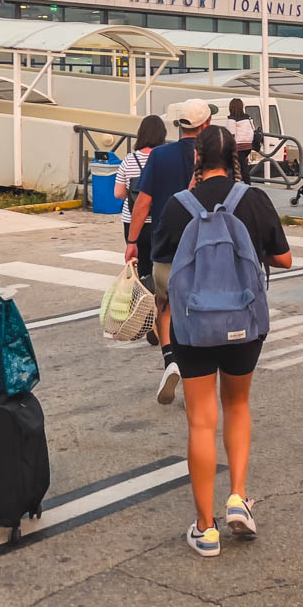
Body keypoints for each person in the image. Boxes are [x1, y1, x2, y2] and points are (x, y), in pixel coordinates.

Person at [152, 124, 292, 558]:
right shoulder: (253, 199)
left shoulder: (179, 206)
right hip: (243, 323)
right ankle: (238, 498)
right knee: (237, 405)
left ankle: (205, 527)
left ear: (197, 158)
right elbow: (284, 259)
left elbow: (160, 273)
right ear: (236, 157)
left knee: (200, 421)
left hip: (194, 327)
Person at [125, 99, 205, 405]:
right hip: (201, 242)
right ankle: (197, 371)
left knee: (165, 305)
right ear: (206, 125)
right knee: (197, 308)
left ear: (178, 125)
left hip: (165, 241)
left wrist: (132, 241)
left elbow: (142, 202)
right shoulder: (209, 155)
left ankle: (171, 359)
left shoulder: (159, 155)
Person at [114, 115, 167, 243]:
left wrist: (134, 193)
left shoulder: (129, 159)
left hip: (132, 219)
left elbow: (118, 193)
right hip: (159, 217)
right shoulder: (166, 158)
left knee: (136, 259)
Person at [227, 98, 255, 183]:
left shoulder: (231, 119)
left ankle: (237, 183)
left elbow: (231, 135)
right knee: (242, 164)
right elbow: (253, 129)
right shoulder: (248, 118)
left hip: (238, 146)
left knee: (235, 166)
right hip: (249, 145)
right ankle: (246, 183)